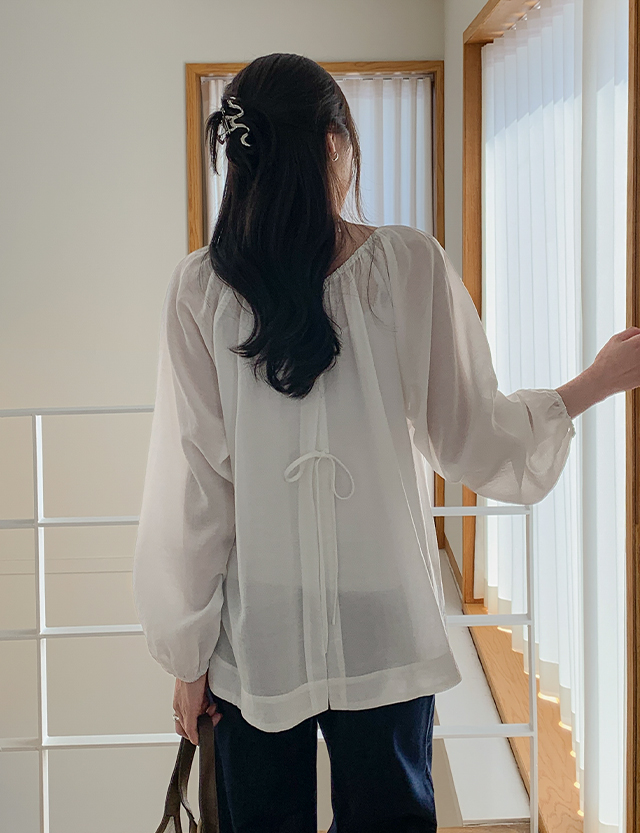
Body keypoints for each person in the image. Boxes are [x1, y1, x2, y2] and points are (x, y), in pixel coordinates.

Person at [132, 52, 640, 833]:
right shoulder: (406, 266)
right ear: (334, 144)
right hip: (381, 614)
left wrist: (188, 655)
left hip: (258, 624)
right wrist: (593, 383)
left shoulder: (201, 288)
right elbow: (473, 434)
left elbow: (197, 489)